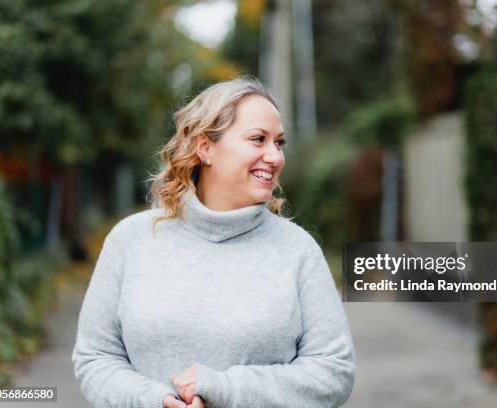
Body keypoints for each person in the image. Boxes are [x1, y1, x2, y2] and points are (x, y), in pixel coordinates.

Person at [71, 77, 356, 408]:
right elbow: (95, 357)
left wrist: (224, 388)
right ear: (205, 147)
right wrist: (154, 400)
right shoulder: (130, 240)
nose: (275, 157)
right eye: (258, 139)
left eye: (279, 143)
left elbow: (333, 372)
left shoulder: (298, 250)